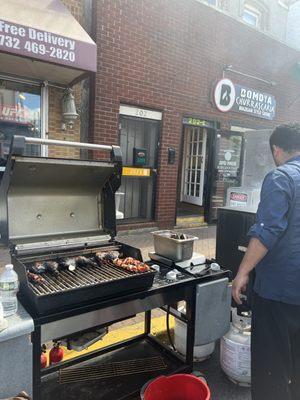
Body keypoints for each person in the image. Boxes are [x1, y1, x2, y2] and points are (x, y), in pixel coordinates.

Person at [232, 123, 300, 400]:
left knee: (271, 367)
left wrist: (242, 272)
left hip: (278, 292)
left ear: (276, 149)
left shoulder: (280, 177)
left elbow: (267, 230)